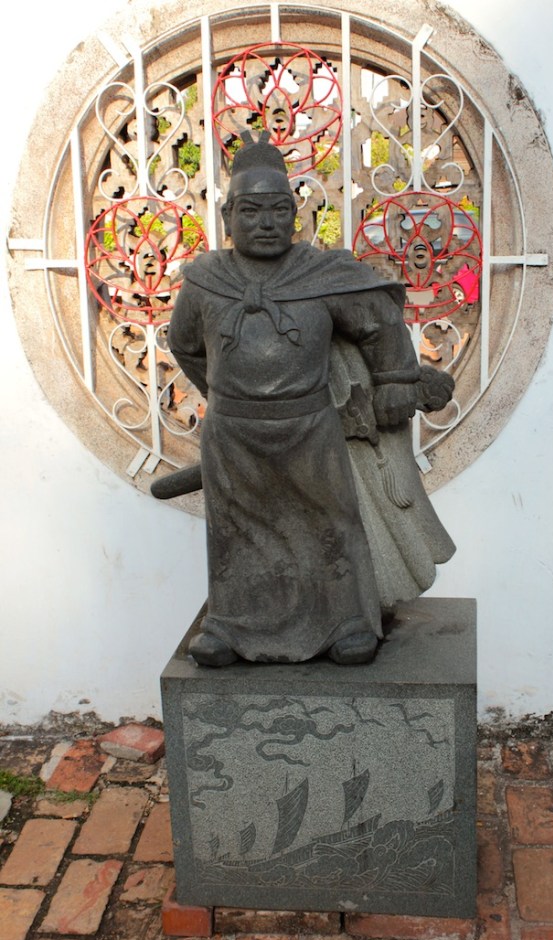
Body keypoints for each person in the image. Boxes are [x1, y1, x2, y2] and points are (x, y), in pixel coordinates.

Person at [166, 133, 455, 667]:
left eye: (278, 209)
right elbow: (184, 345)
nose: (266, 222)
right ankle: (230, 627)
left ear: (295, 213)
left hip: (311, 429)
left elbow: (379, 320)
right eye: (250, 211)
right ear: (228, 215)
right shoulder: (206, 281)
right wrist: (226, 397)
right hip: (233, 436)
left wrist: (394, 382)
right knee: (237, 533)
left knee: (332, 525)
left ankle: (347, 623)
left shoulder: (322, 275)